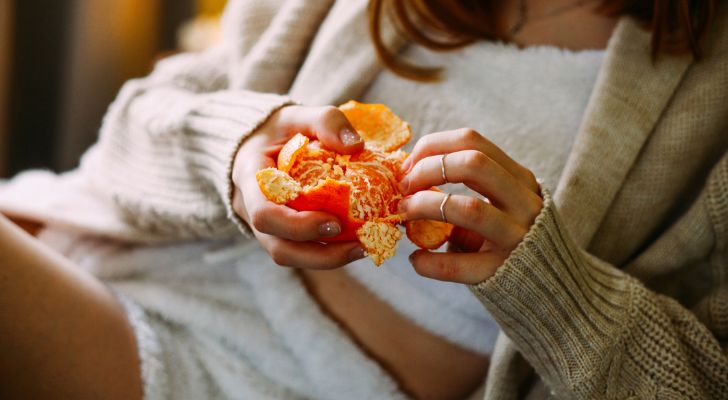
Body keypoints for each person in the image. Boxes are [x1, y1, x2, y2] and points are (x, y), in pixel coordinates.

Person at [0, 0, 726, 398]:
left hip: (255, 376)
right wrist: (235, 150)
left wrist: (555, 288)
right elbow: (131, 126)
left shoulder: (708, 104)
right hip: (130, 264)